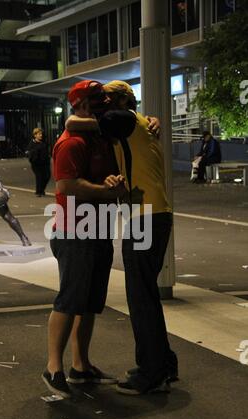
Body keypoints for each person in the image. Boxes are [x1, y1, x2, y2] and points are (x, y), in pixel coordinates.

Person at [66, 80, 178, 395]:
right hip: (152, 215)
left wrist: (78, 114)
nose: (99, 103)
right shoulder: (138, 123)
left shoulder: (125, 120)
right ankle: (163, 364)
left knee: (140, 298)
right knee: (147, 295)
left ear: (118, 101)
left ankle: (150, 373)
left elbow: (76, 122)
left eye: (105, 99)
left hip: (145, 217)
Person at [42, 80, 129, 398]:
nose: (103, 104)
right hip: (74, 231)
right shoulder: (72, 142)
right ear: (79, 105)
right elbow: (66, 185)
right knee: (69, 300)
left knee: (90, 302)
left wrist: (110, 181)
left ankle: (80, 365)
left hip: (97, 228)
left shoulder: (99, 136)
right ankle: (54, 367)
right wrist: (106, 190)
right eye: (96, 100)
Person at [26, 128, 51, 197]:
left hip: (45, 163)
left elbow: (46, 152)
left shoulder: (43, 142)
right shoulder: (32, 143)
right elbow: (28, 152)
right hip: (36, 164)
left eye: (41, 134)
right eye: (39, 134)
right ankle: (39, 191)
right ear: (35, 135)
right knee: (39, 177)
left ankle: (41, 190)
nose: (41, 135)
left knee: (47, 176)